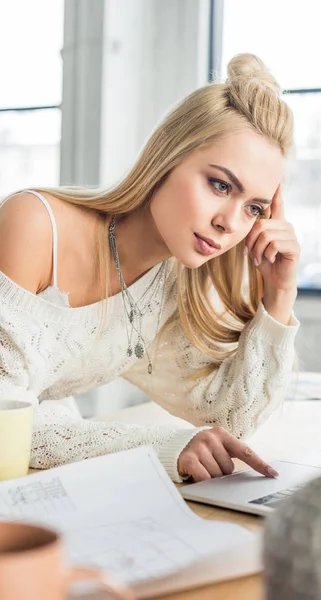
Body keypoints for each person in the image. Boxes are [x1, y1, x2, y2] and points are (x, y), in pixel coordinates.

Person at [0, 53, 300, 483]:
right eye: (219, 184)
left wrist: (281, 295)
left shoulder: (167, 284)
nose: (229, 223)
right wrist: (158, 449)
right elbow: (5, 418)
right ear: (167, 156)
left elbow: (229, 420)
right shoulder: (34, 225)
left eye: (254, 208)